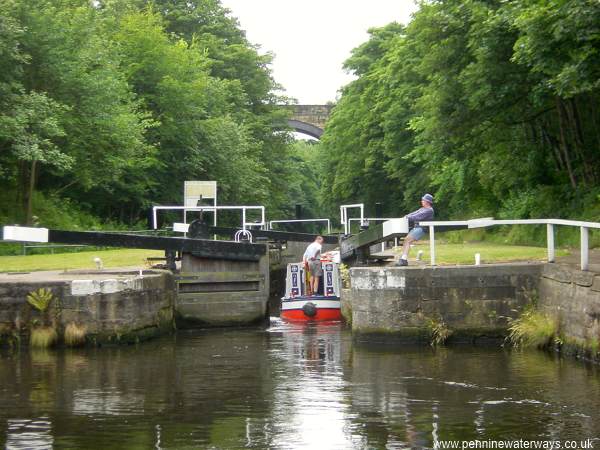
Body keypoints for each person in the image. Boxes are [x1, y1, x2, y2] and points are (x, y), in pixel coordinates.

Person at [396, 194, 434, 266]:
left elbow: (417, 217)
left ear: (427, 202)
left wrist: (406, 218)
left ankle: (403, 260)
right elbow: (413, 213)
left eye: (423, 200)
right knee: (406, 241)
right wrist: (406, 216)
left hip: (422, 228)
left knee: (407, 240)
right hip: (417, 227)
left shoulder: (429, 210)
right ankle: (403, 259)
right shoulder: (422, 209)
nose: (422, 201)